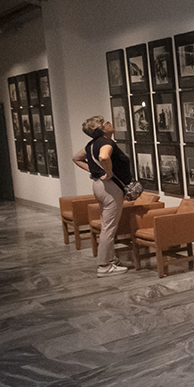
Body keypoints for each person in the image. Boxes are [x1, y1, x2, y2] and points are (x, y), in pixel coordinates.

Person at [72, 115, 134, 277]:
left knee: (107, 224)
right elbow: (104, 157)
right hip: (109, 188)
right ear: (101, 129)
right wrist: (108, 172)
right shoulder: (106, 143)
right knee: (109, 227)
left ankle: (111, 259)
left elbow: (76, 158)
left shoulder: (91, 145)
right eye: (105, 122)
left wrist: (95, 171)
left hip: (99, 186)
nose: (109, 123)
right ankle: (104, 265)